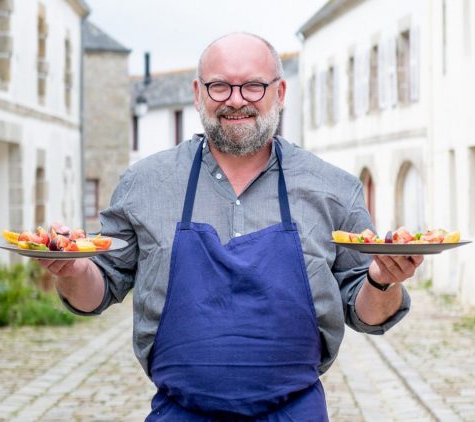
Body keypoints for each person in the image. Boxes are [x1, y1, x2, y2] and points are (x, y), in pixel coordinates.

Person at [38, 32, 423, 421]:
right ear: (197, 93)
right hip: (179, 412)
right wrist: (72, 268)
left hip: (294, 413)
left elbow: (369, 314)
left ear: (281, 92)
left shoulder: (333, 189)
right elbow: (95, 292)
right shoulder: (143, 184)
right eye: (219, 86)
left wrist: (381, 279)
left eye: (253, 85)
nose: (236, 99)